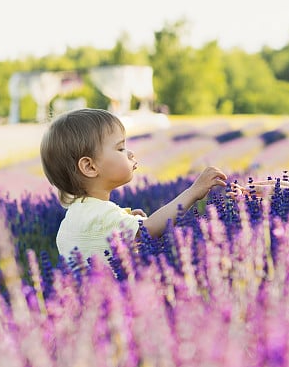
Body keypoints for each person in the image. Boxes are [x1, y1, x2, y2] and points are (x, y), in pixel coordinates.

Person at [40, 108, 227, 261]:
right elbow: (150, 230)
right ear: (89, 166)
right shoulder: (100, 216)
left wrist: (129, 221)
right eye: (120, 148)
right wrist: (193, 192)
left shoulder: (77, 216)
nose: (130, 153)